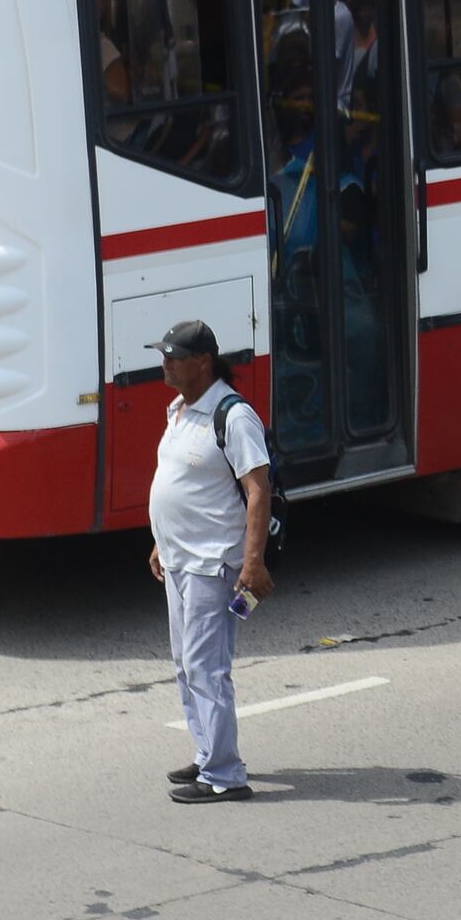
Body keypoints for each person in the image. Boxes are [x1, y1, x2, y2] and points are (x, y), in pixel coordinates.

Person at [146, 321, 276, 806]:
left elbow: (257, 489)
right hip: (178, 559)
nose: (165, 363)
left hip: (211, 564)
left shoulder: (233, 415)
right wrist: (161, 540)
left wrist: (253, 562)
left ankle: (225, 774)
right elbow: (179, 480)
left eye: (174, 356)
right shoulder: (179, 409)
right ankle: (206, 755)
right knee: (185, 664)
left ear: (203, 361)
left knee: (206, 666)